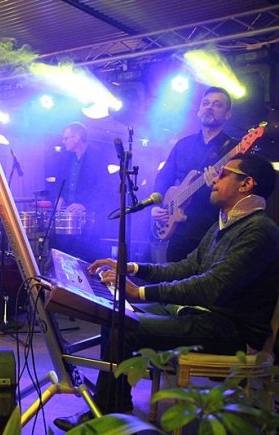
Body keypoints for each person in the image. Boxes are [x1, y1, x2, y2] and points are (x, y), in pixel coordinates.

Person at [55, 153, 279, 429]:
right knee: (115, 313)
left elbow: (212, 286)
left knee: (122, 327)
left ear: (246, 184)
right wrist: (130, 268)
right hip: (204, 315)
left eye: (223, 174)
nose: (214, 180)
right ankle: (114, 407)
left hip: (230, 330)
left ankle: (108, 415)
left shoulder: (259, 231)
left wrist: (141, 293)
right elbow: (187, 266)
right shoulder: (225, 224)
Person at [151, 86, 237, 262]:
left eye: (217, 104)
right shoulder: (184, 144)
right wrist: (158, 204)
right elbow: (164, 176)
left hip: (211, 230)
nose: (209, 107)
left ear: (227, 114)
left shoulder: (233, 148)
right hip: (178, 231)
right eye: (205, 103)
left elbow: (238, 190)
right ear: (199, 110)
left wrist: (218, 183)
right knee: (173, 274)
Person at [46, 121, 116, 261]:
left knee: (85, 256)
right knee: (61, 251)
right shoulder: (66, 158)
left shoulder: (97, 156)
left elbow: (104, 187)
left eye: (66, 138)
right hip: (68, 216)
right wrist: (59, 197)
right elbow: (59, 182)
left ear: (77, 138)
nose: (63, 141)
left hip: (89, 220)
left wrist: (85, 205)